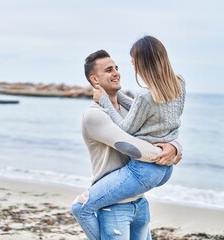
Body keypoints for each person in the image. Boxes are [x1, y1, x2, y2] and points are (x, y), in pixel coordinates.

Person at [71, 47, 183, 239]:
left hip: (140, 201)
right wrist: (169, 153)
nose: (116, 73)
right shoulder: (95, 115)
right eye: (108, 70)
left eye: (116, 68)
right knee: (80, 208)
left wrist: (175, 146)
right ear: (94, 80)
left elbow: (162, 126)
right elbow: (131, 145)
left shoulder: (129, 108)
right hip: (115, 206)